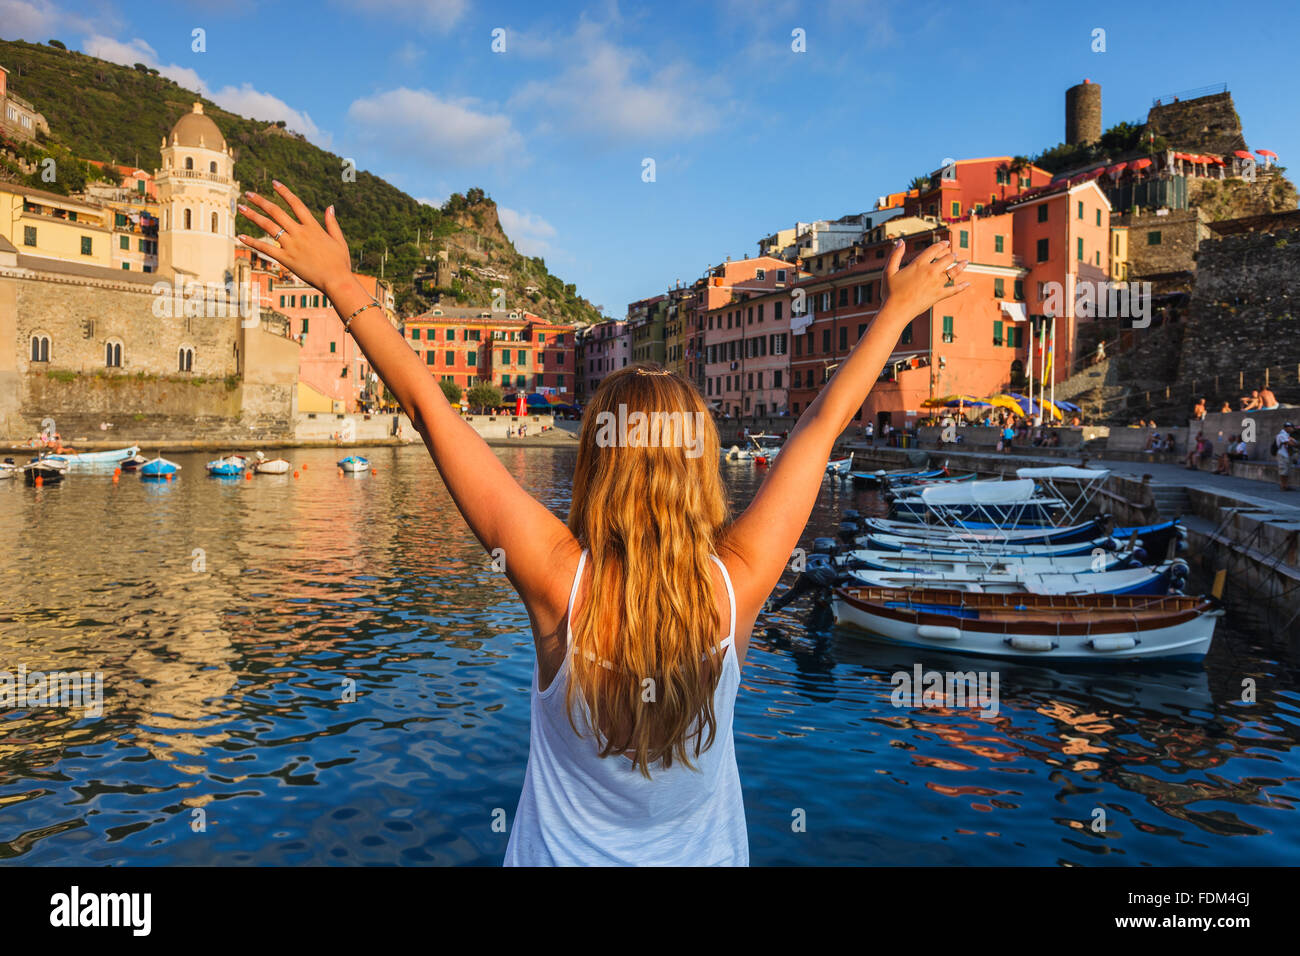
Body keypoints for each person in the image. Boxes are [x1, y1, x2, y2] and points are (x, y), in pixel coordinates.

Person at [236, 184, 970, 865]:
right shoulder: (734, 587)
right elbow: (821, 425)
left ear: (596, 459)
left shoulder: (560, 579)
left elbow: (432, 412)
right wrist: (896, 312)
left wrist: (341, 285)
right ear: (699, 463)